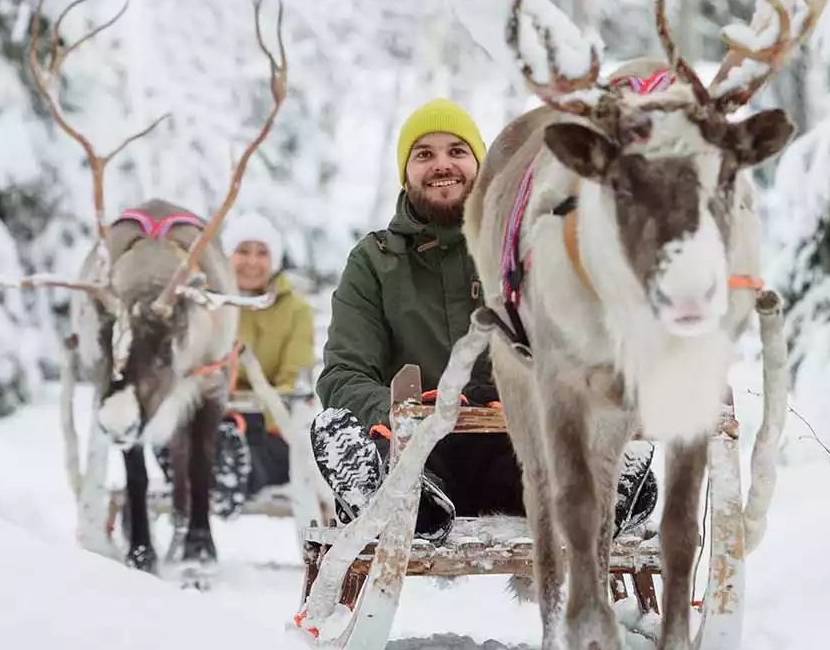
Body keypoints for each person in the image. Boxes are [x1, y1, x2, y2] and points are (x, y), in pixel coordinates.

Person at [309, 98, 658, 543]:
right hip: (419, 459)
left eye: (457, 152)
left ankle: (604, 490)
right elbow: (345, 372)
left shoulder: (524, 248)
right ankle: (405, 503)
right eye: (424, 154)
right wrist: (398, 415)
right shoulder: (373, 263)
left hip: (517, 456)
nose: (442, 165)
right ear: (406, 171)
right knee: (334, 428)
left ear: (479, 165)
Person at [211, 210, 315, 508]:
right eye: (242, 251)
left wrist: (251, 416)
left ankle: (231, 473)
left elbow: (293, 379)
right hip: (214, 419)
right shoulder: (211, 305)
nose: (252, 262)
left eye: (262, 252)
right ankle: (221, 465)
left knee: (260, 449)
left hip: (270, 425)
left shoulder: (296, 311)